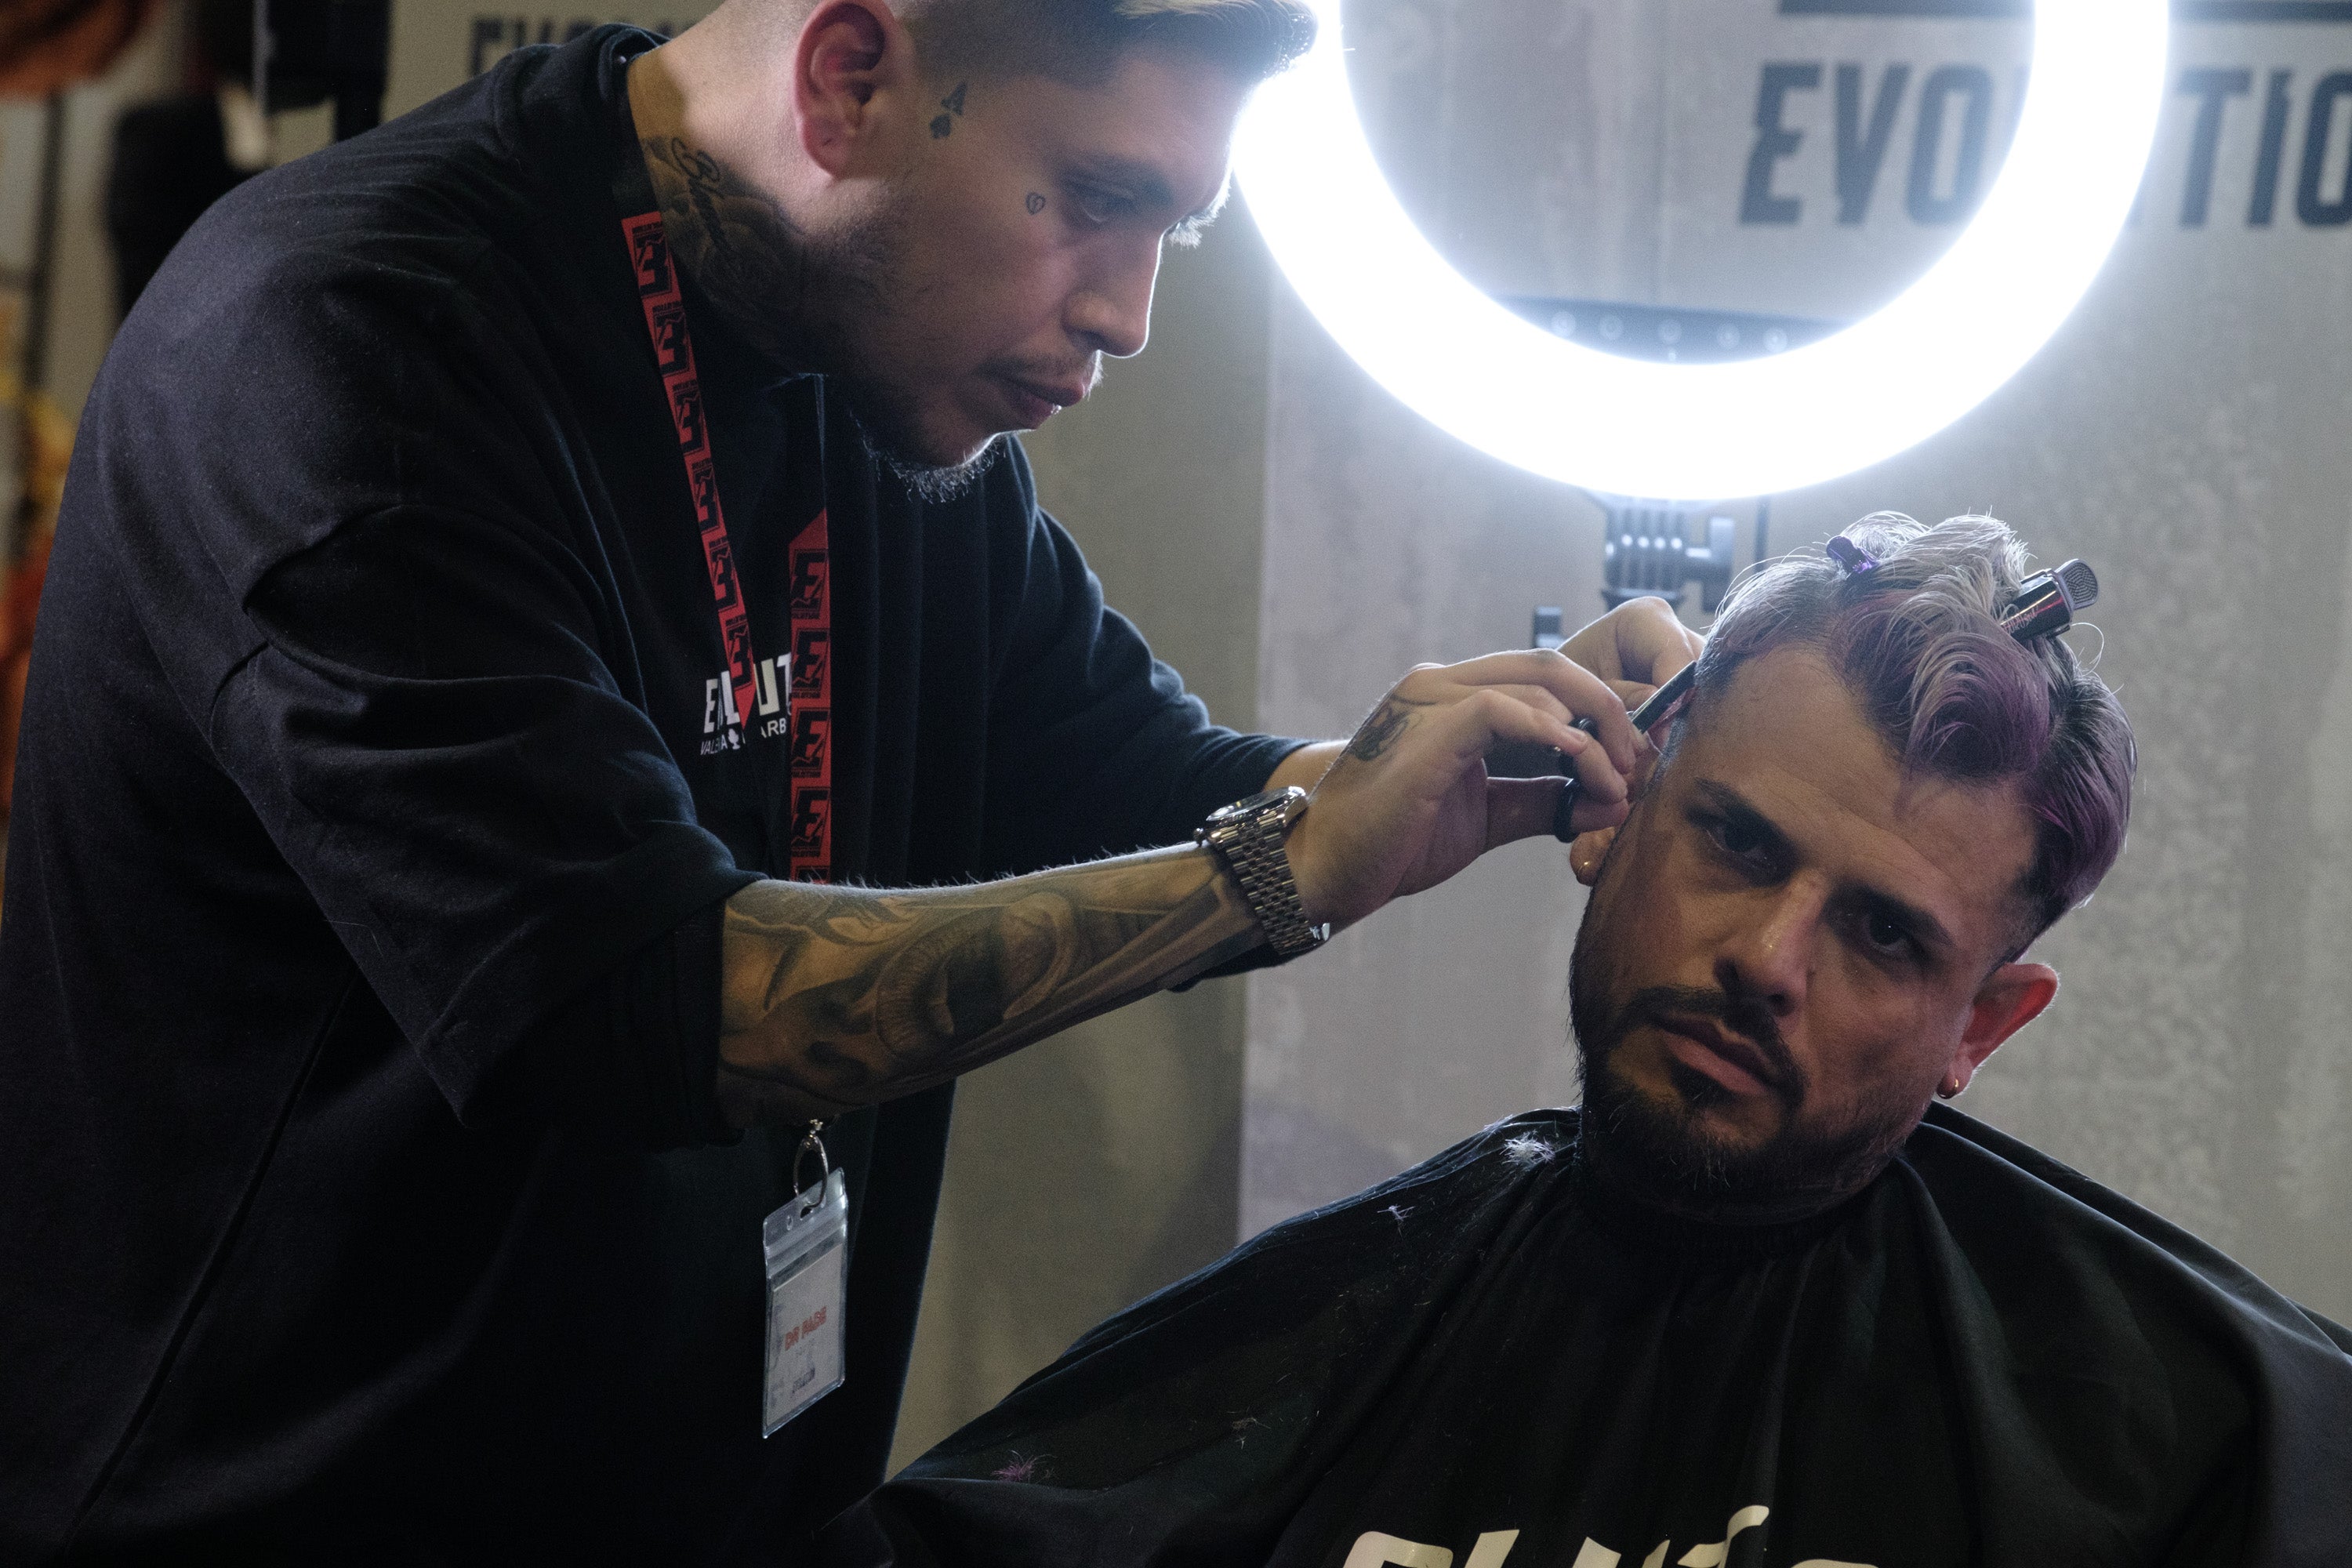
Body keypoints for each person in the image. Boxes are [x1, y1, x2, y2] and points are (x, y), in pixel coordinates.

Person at [0, 2, 1705, 1562]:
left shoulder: (885, 379)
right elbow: (638, 1003)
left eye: (1172, 229)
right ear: (848, 76)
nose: (1127, 311)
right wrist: (1287, 865)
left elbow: (1143, 784)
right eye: (1094, 200)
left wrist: (1483, 766)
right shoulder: (350, 348)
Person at [818, 515, 2352, 1568]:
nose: (1765, 959)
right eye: (1736, 845)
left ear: (1984, 1026)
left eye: (1884, 934)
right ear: (1612, 822)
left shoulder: (2203, 1439)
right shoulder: (1293, 1351)